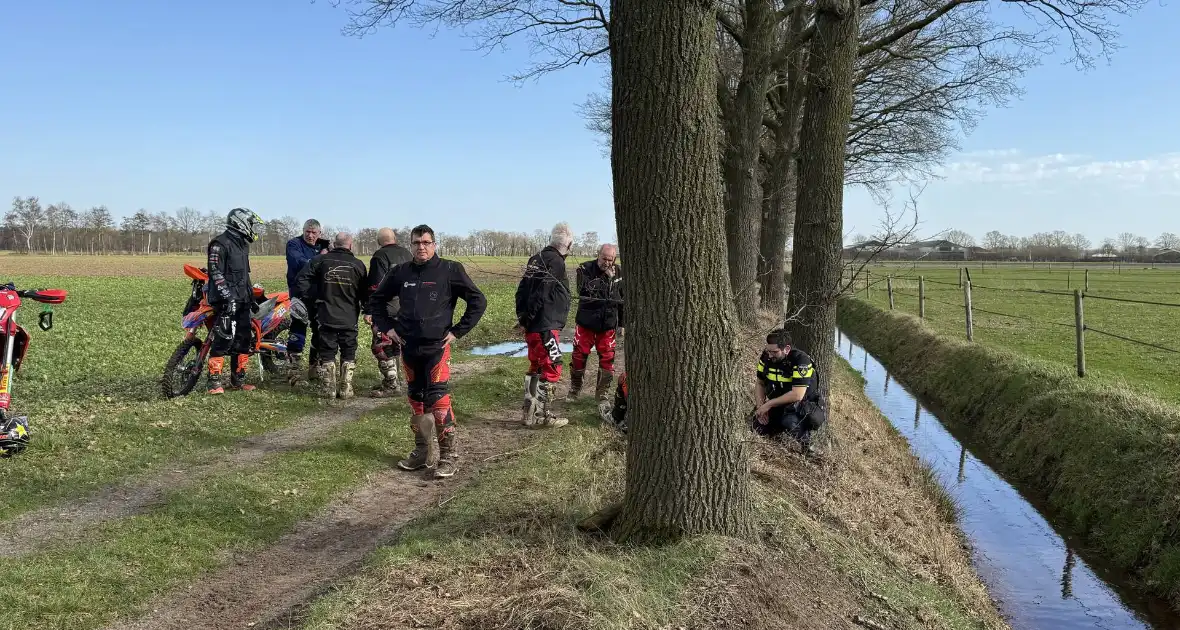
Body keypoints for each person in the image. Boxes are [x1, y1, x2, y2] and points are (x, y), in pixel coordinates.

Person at [367, 224, 487, 479]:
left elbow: (478, 300)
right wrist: (388, 328)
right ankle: (422, 452)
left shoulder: (450, 269)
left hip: (437, 348)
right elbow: (376, 301)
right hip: (408, 346)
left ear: (434, 244)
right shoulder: (400, 272)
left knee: (439, 400)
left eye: (426, 242)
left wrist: (458, 331)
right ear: (410, 245)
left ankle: (449, 456)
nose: (421, 247)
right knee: (416, 401)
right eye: (416, 243)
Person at [295, 231, 369, 399]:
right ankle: (346, 388)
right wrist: (366, 308)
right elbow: (365, 292)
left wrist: (313, 298)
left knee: (327, 349)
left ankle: (328, 388)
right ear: (350, 245)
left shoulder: (320, 261)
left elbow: (301, 280)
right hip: (349, 316)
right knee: (348, 349)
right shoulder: (358, 265)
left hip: (326, 314)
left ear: (334, 245)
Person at [515, 222, 574, 428]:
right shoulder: (556, 262)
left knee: (537, 365)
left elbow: (521, 290)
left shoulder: (535, 259)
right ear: (569, 244)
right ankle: (542, 416)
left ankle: (528, 411)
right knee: (553, 365)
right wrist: (529, 318)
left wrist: (522, 317)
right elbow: (542, 292)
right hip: (544, 325)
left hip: (534, 325)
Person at [205, 208, 264, 395]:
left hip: (243, 300)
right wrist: (227, 297)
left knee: (243, 339)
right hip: (224, 301)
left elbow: (244, 276)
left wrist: (252, 298)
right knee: (223, 339)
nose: (253, 228)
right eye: (251, 224)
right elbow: (215, 273)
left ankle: (238, 380)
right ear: (241, 223)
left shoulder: (243, 245)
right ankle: (214, 381)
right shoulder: (219, 244)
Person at [752, 328, 827, 455]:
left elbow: (797, 395)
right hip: (778, 403)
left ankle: (808, 445)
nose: (769, 355)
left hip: (801, 406)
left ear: (786, 349)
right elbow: (760, 383)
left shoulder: (800, 360)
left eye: (774, 352)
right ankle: (775, 429)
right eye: (768, 351)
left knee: (789, 421)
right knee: (757, 427)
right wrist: (760, 407)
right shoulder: (766, 357)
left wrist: (767, 405)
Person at [570, 243, 624, 400]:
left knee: (608, 357)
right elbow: (583, 290)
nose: (607, 262)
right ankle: (575, 389)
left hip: (608, 323)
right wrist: (605, 279)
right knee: (579, 355)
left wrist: (622, 323)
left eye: (610, 259)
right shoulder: (584, 269)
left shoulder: (620, 272)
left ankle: (602, 394)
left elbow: (622, 299)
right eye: (604, 258)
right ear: (598, 255)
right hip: (586, 321)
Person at [363, 227, 412, 397]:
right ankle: (396, 381)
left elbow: (375, 286)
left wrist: (369, 310)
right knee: (397, 345)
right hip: (406, 309)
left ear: (379, 241)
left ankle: (391, 385)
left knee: (381, 346)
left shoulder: (379, 256)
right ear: (394, 238)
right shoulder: (407, 253)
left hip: (387, 310)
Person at [285, 219, 329, 386]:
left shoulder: (324, 245)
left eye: (314, 233)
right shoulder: (294, 244)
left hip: (319, 295)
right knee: (298, 328)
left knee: (320, 331)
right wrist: (321, 258)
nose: (310, 235)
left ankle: (314, 367)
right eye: (307, 232)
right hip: (300, 294)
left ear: (319, 233)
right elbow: (299, 263)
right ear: (303, 231)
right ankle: (293, 371)